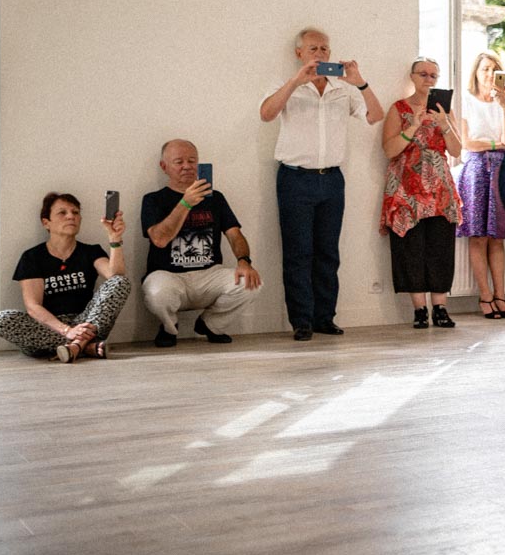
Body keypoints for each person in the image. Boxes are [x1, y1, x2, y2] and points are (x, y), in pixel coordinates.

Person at [259, 27, 384, 341]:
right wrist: (295, 82)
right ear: (299, 53)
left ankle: (324, 317)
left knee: (328, 252)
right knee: (298, 252)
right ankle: (301, 320)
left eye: (325, 49)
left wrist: (360, 82)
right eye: (313, 48)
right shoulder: (285, 85)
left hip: (331, 179)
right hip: (294, 177)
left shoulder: (342, 89)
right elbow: (266, 114)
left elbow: (375, 115)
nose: (320, 54)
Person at [141, 139, 261, 347]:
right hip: (169, 275)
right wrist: (186, 203)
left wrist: (244, 261)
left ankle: (211, 325)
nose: (187, 166)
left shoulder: (216, 198)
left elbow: (234, 234)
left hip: (209, 274)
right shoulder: (153, 200)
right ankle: (170, 328)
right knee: (156, 292)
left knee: (250, 283)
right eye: (179, 162)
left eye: (192, 160)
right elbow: (159, 240)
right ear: (164, 167)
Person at [0, 193, 131, 362]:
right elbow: (33, 306)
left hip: (88, 322)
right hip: (49, 327)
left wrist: (114, 238)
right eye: (62, 213)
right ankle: (85, 346)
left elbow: (115, 277)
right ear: (46, 223)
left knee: (120, 281)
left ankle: (75, 346)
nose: (71, 216)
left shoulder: (91, 251)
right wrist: (67, 331)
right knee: (2, 320)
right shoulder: (33, 257)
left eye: (75, 212)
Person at [382, 57, 463, 330]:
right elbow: (390, 149)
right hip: (407, 188)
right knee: (410, 247)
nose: (428, 80)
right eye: (423, 74)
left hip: (439, 187)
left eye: (433, 76)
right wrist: (414, 126)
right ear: (413, 77)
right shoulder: (399, 109)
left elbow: (456, 150)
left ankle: (441, 307)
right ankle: (419, 309)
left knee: (440, 246)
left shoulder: (444, 111)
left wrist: (444, 124)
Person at [456, 52, 505, 319]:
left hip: (502, 168)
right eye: (484, 69)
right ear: (475, 72)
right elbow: (468, 143)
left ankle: (501, 296)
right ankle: (485, 297)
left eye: (494, 70)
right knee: (479, 236)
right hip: (476, 170)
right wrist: (497, 145)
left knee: (497, 237)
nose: (489, 74)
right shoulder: (466, 102)